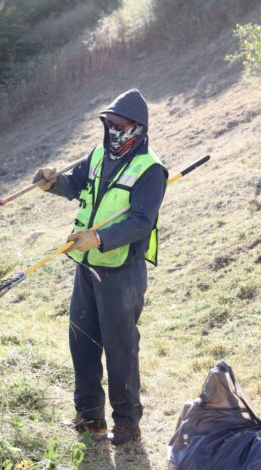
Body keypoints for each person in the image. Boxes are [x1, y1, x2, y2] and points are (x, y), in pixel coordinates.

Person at [33, 89, 167, 446]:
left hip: (122, 272)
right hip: (87, 267)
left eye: (118, 125)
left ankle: (127, 425)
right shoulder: (97, 155)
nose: (111, 131)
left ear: (136, 128)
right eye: (107, 124)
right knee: (82, 341)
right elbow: (73, 185)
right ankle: (90, 417)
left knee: (120, 346)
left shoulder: (151, 170)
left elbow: (141, 221)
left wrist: (100, 238)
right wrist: (51, 183)